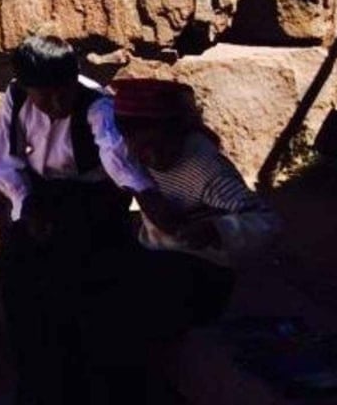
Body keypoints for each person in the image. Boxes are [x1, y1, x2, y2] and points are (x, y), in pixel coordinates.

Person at [0, 35, 175, 405]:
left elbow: (117, 158)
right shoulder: (17, 96)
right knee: (24, 296)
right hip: (40, 200)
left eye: (63, 93)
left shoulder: (97, 105)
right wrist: (27, 204)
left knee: (84, 305)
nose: (57, 104)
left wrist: (147, 197)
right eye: (46, 96)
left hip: (92, 206)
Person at [113, 78, 280, 334]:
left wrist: (215, 229)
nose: (153, 158)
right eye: (143, 149)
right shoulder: (128, 155)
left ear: (179, 133)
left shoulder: (205, 171)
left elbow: (266, 221)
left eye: (159, 146)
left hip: (202, 270)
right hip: (154, 254)